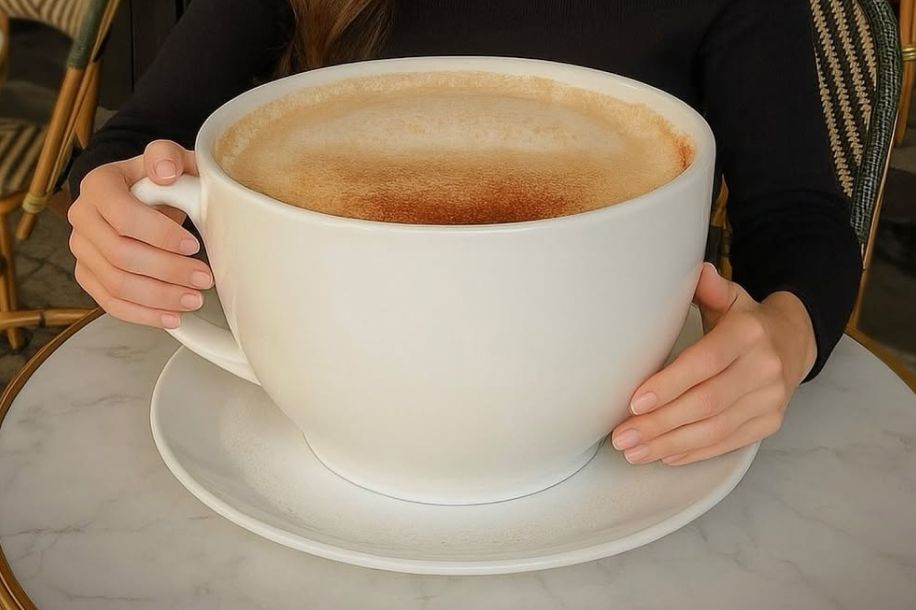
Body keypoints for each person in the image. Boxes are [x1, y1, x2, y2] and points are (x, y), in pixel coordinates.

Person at [66, 0, 862, 467]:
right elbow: (140, 141)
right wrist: (116, 212)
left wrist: (785, 339)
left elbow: (798, 218)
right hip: (322, 424)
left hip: (626, 433)